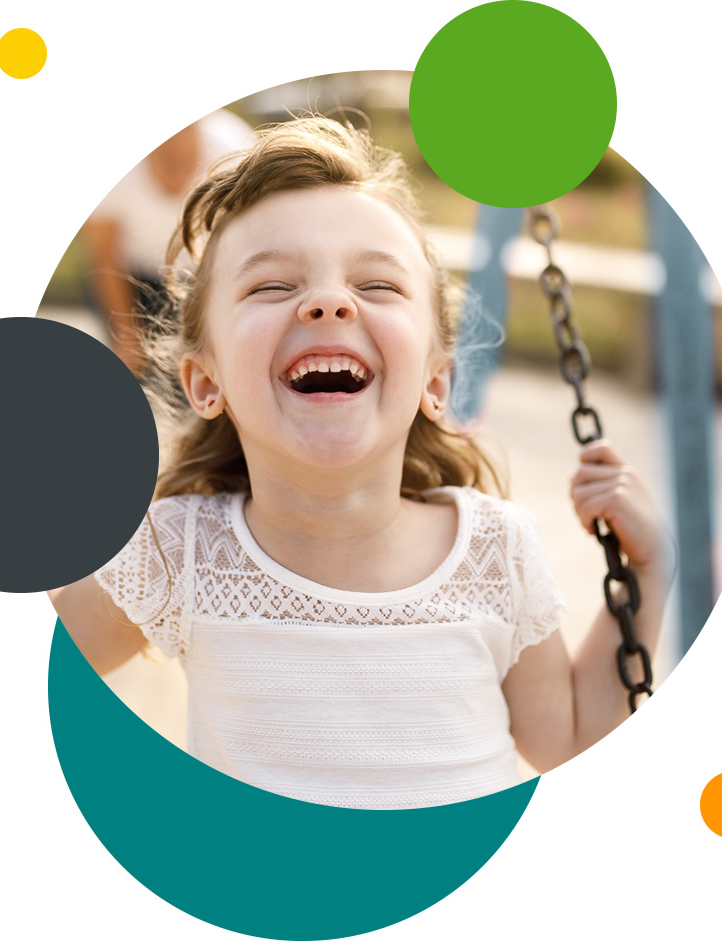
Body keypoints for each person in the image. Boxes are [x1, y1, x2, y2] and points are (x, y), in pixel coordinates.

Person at [49, 116, 669, 810]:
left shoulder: (495, 548)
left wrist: (645, 571)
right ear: (204, 382)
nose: (328, 300)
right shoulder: (176, 550)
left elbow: (571, 735)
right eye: (271, 286)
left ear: (436, 381)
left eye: (376, 286)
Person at [83, 108, 253, 374]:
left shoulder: (233, 151)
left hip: (205, 278)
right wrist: (127, 336)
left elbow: (249, 246)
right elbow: (104, 257)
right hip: (133, 279)